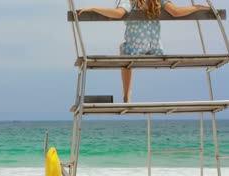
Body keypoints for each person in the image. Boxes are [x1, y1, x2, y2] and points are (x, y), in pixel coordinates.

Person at [79, 0, 210, 103]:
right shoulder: (157, 0)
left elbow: (118, 13)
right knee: (125, 49)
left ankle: (126, 96)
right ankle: (126, 96)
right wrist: (197, 7)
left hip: (135, 51)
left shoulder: (130, 0)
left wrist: (93, 8)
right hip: (157, 50)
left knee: (122, 48)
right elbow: (176, 12)